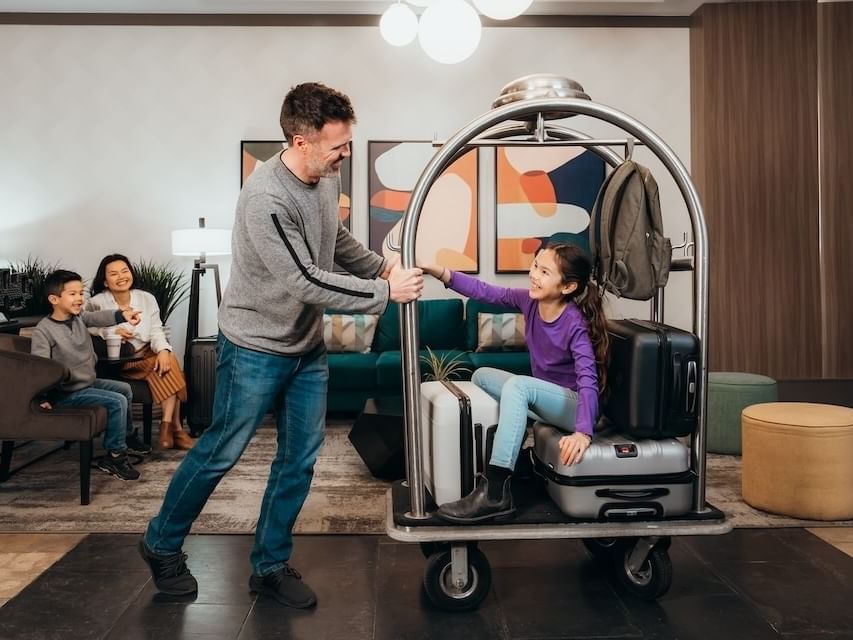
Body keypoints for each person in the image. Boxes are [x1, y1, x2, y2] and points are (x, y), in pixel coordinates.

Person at [139, 82, 423, 606]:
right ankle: (160, 543)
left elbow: (335, 243)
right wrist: (386, 291)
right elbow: (307, 281)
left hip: (304, 347)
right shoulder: (265, 197)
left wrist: (383, 265)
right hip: (254, 347)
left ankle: (269, 566)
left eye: (347, 142)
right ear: (299, 140)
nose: (345, 153)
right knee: (222, 452)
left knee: (299, 460)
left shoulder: (319, 182)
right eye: (337, 144)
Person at [422, 243, 609, 523]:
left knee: (519, 386)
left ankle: (495, 492)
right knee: (482, 375)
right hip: (546, 401)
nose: (534, 274)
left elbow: (588, 380)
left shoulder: (574, 323)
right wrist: (439, 272)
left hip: (575, 407)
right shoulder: (529, 302)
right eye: (535, 266)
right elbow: (484, 291)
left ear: (567, 286)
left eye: (545, 272)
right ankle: (518, 459)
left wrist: (583, 431)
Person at [30, 269, 144, 481]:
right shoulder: (43, 331)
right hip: (65, 392)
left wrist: (122, 315)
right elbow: (39, 368)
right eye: (72, 294)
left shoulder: (79, 317)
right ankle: (115, 456)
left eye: (81, 293)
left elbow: (96, 317)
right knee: (117, 401)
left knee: (124, 389)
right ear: (54, 299)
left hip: (87, 384)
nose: (79, 298)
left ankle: (126, 436)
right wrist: (43, 397)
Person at [87, 254, 194, 451]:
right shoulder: (97, 302)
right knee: (172, 365)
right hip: (122, 359)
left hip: (147, 353)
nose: (121, 276)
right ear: (105, 281)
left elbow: (155, 329)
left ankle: (168, 427)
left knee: (167, 358)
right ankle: (174, 429)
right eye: (113, 273)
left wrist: (162, 349)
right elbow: (86, 328)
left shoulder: (146, 298)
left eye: (125, 271)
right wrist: (110, 331)